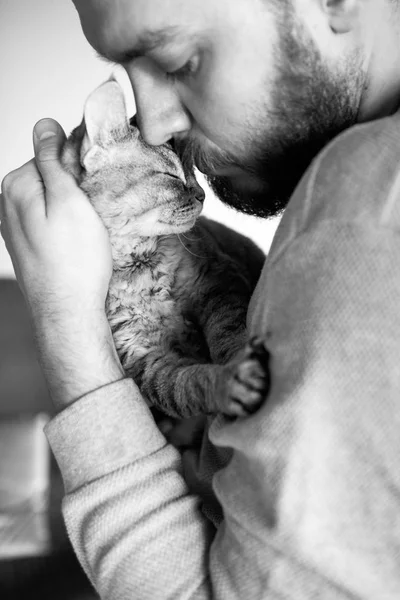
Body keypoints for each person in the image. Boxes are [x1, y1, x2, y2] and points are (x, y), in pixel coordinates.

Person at [1, 0, 400, 597]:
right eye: (129, 73)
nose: (155, 125)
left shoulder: (364, 196)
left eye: (180, 60)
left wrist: (64, 322)